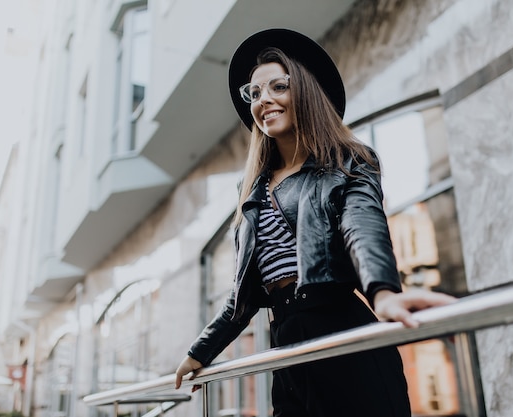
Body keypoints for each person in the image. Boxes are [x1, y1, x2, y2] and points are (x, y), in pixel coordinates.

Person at [176, 28, 455, 417]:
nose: (264, 100)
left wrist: (384, 293)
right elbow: (242, 298)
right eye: (254, 93)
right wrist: (199, 352)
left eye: (278, 86)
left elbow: (362, 228)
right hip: (287, 350)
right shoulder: (253, 190)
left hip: (344, 338)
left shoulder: (346, 162)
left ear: (303, 90)